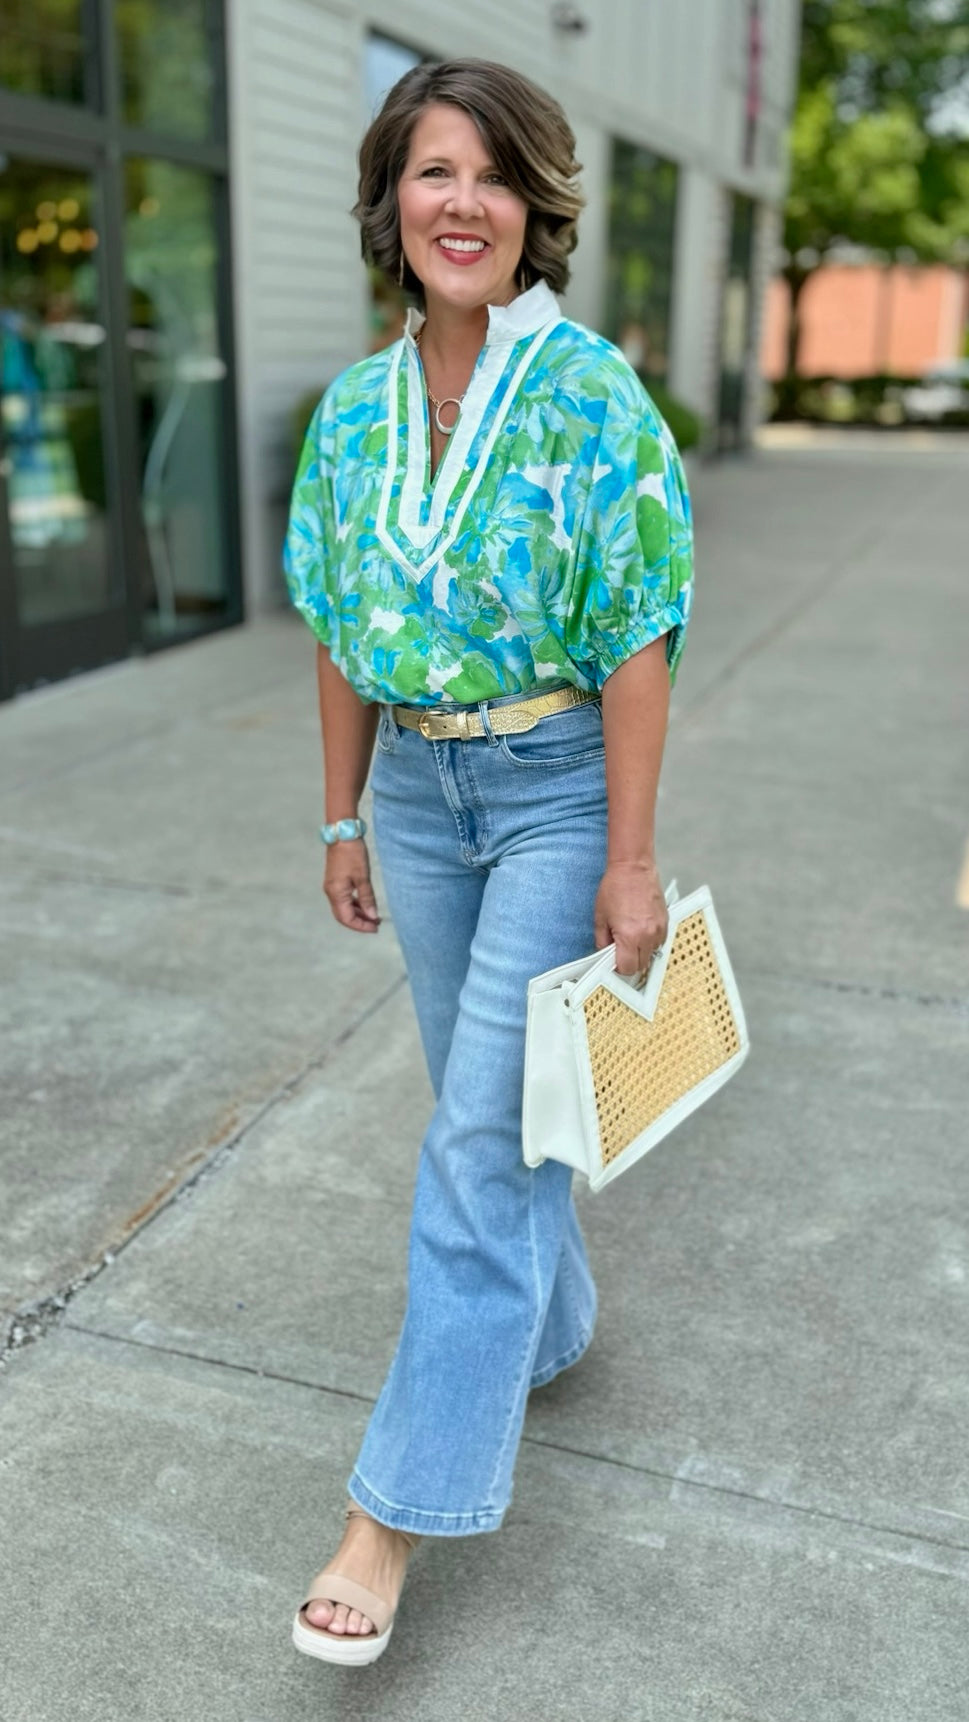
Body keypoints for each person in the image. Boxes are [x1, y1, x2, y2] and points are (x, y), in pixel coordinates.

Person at [284, 57, 693, 1666]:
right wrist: (339, 814)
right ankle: (555, 1320)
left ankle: (385, 1519)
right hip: (415, 803)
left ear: (536, 211)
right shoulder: (350, 410)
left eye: (493, 177)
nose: (463, 202)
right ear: (394, 200)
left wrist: (632, 858)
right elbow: (332, 623)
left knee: (472, 1148)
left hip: (549, 790)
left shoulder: (591, 394)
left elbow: (638, 635)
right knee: (500, 1113)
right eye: (432, 171)